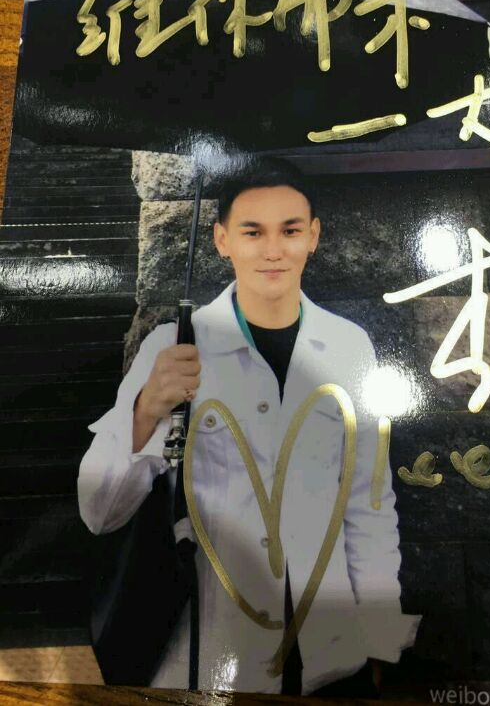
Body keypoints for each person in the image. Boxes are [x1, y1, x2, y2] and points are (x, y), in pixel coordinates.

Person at [77, 158, 420, 695]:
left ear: (313, 236)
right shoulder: (173, 347)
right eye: (253, 232)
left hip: (329, 652)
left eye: (290, 230)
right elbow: (99, 512)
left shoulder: (349, 347)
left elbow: (368, 502)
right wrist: (145, 410)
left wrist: (380, 637)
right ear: (222, 240)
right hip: (210, 650)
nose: (272, 250)